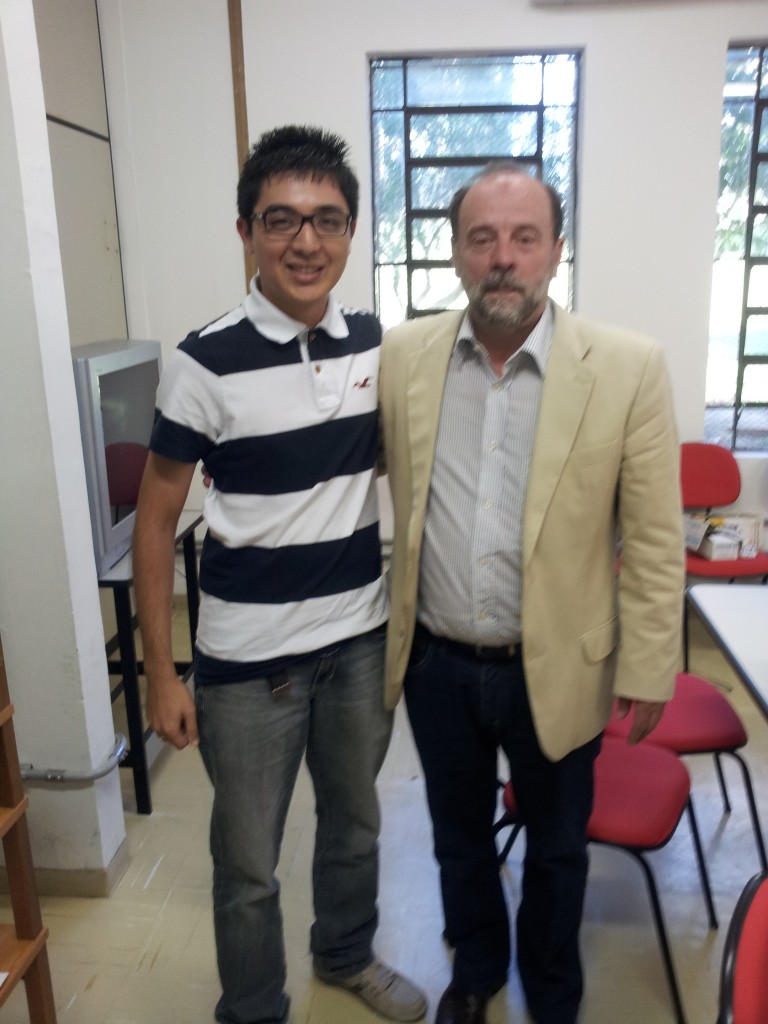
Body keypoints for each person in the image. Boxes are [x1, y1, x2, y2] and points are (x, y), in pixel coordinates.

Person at [133, 125, 427, 1024]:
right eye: (282, 220)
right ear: (247, 232)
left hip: (358, 648)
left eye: (328, 220)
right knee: (248, 860)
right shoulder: (203, 360)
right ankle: (254, 1006)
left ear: (349, 231)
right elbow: (154, 518)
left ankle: (344, 954)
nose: (307, 241)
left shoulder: (379, 346)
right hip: (246, 667)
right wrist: (159, 670)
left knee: (355, 827)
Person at [378, 162, 684, 1024]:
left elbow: (658, 536)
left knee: (556, 853)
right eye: (482, 239)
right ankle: (475, 974)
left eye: (523, 238)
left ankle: (553, 994)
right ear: (456, 252)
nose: (502, 258)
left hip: (559, 665)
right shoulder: (406, 355)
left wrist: (652, 664)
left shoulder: (626, 366)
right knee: (458, 842)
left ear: (556, 250)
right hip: (438, 662)